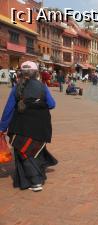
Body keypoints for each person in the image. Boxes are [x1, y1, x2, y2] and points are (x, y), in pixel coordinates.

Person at [0, 61, 57, 192]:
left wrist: (2, 128)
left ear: (20, 73)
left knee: (24, 154)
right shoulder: (43, 87)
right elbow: (52, 104)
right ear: (36, 73)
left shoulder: (16, 88)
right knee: (35, 153)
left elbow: (8, 110)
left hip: (20, 128)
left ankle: (34, 181)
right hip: (40, 128)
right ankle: (37, 180)